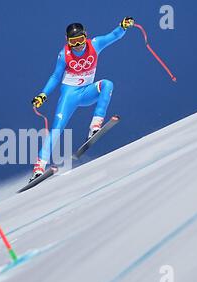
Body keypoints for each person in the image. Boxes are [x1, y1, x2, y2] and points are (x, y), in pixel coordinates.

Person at [30, 17, 135, 182]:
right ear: (67, 41)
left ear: (86, 36)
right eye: (73, 42)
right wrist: (43, 94)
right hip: (69, 96)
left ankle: (94, 126)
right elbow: (55, 76)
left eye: (80, 40)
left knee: (107, 84)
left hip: (87, 92)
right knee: (56, 129)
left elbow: (114, 36)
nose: (78, 45)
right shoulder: (64, 54)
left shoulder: (95, 44)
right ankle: (39, 167)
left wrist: (123, 27)